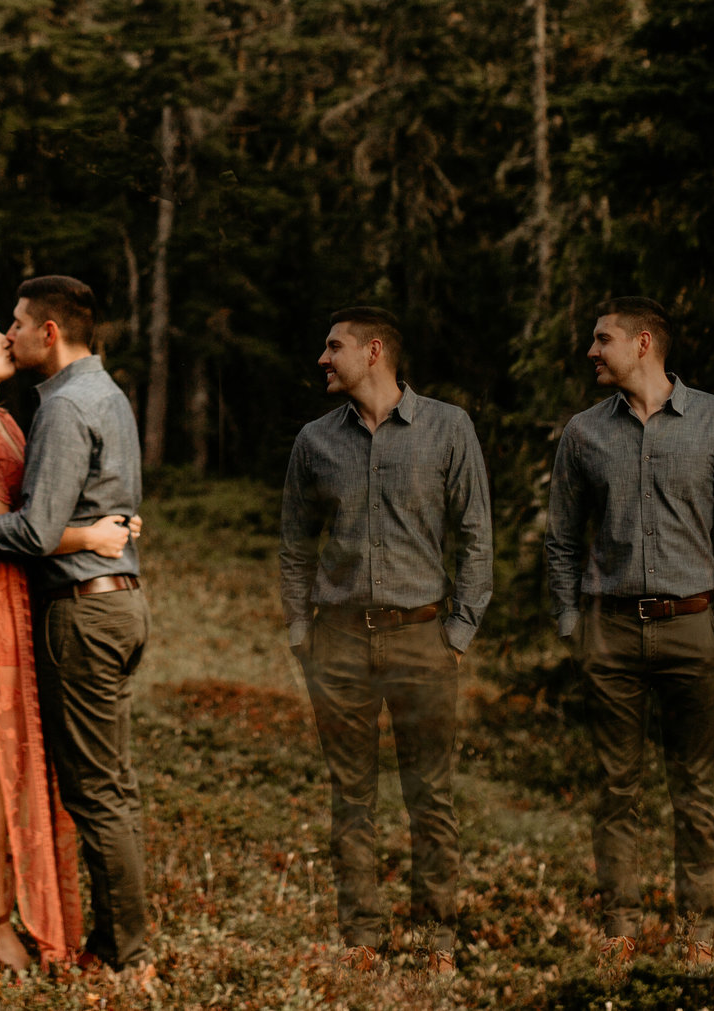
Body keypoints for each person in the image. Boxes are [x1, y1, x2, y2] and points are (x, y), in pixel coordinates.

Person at [0, 276, 154, 993]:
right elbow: (65, 515)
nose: (8, 335)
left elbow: (29, 527)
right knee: (85, 780)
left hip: (78, 608)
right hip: (79, 603)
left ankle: (126, 953)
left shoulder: (51, 411)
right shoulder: (100, 395)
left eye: (14, 324)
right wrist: (96, 530)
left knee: (92, 790)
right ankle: (88, 938)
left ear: (48, 332)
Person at [546, 297, 714, 968]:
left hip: (693, 628)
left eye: (601, 338)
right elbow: (560, 538)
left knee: (694, 784)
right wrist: (570, 622)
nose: (591, 350)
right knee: (617, 784)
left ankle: (696, 927)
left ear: (642, 344)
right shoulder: (584, 433)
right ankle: (620, 922)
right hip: (609, 632)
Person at [279, 306, 491, 975]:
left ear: (374, 352)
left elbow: (476, 537)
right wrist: (299, 631)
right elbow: (293, 546)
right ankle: (362, 938)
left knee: (430, 793)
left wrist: (457, 633)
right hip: (337, 645)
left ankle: (439, 939)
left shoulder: (449, 428)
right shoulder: (314, 441)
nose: (322, 356)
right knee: (352, 796)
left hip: (422, 640)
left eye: (332, 345)